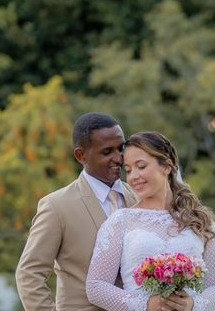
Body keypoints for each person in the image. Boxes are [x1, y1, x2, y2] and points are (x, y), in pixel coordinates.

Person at [86, 131, 215, 311]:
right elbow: (96, 287)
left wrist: (193, 304)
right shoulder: (120, 221)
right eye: (128, 170)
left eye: (141, 166)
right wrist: (145, 304)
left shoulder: (200, 220)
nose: (133, 177)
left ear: (167, 167)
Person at [16, 112, 138, 311]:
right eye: (107, 152)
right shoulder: (56, 206)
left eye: (121, 148)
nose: (119, 158)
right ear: (81, 156)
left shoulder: (141, 197)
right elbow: (29, 274)